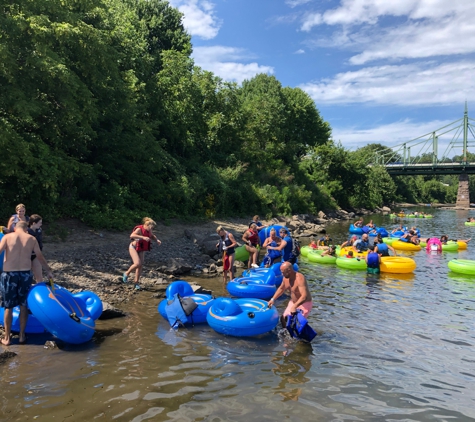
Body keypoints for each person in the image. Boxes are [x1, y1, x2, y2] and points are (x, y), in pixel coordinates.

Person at [0, 221, 53, 345]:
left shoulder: (7, 237)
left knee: (9, 306)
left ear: (14, 228)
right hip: (25, 274)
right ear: (26, 229)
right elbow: (39, 257)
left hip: (9, 274)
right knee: (23, 305)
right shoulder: (31, 239)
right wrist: (48, 271)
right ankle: (22, 336)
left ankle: (7, 339)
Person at [267, 261, 313, 327]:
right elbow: (281, 289)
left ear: (289, 270)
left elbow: (304, 296)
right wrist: (273, 299)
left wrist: (294, 306)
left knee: (295, 324)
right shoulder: (285, 278)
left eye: (283, 272)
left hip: (304, 304)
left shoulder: (299, 278)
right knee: (283, 319)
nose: (282, 274)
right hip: (293, 302)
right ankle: (285, 334)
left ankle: (298, 335)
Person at [123, 217, 161, 290]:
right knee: (137, 263)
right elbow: (132, 235)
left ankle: (136, 283)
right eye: (151, 228)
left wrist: (157, 240)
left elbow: (152, 236)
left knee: (140, 266)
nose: (151, 229)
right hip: (133, 247)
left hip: (141, 249)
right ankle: (126, 273)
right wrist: (143, 237)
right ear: (147, 225)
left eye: (152, 228)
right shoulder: (139, 229)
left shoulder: (149, 230)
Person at [27, 214, 44, 282]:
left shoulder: (39, 230)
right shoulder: (26, 232)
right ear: (34, 223)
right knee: (27, 276)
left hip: (36, 255)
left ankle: (40, 289)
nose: (41, 224)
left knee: (39, 276)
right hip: (26, 256)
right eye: (40, 223)